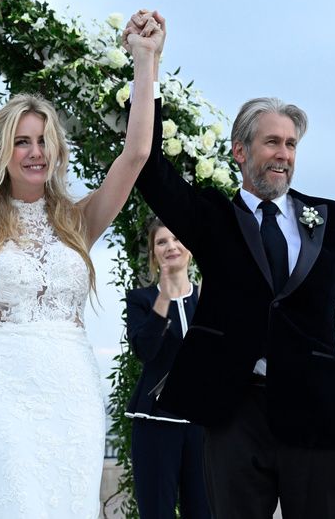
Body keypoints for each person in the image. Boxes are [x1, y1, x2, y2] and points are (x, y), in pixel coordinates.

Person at [125, 11, 335, 519]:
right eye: (272, 142)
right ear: (240, 151)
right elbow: (151, 169)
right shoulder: (211, 218)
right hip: (233, 413)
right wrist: (148, 64)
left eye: (291, 144)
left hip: (318, 415)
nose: (284, 154)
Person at [0, 12, 165, 518]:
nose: (35, 152)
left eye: (43, 141)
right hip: (4, 389)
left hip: (73, 387)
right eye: (22, 141)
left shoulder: (75, 221)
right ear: (2, 150)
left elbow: (136, 155)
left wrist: (145, 62)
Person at [124, 219, 211, 519]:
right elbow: (145, 350)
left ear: (189, 248)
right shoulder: (141, 300)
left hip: (203, 425)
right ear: (153, 254)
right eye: (161, 242)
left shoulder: (208, 298)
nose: (171, 246)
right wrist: (165, 295)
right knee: (157, 511)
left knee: (204, 511)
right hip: (156, 422)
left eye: (177, 239)